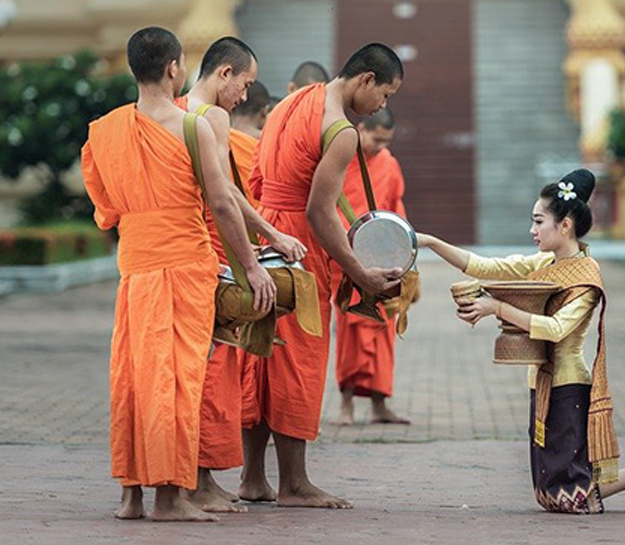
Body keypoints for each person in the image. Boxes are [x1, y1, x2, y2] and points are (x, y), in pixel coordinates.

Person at [81, 26, 275, 522]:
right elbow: (223, 203)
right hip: (186, 265)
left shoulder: (103, 131)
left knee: (132, 376)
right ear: (174, 69)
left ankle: (132, 495)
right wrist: (251, 267)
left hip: (135, 268)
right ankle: (169, 496)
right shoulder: (193, 127)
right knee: (176, 380)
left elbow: (105, 210)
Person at [417, 169, 625, 515]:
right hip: (543, 382)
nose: (532, 230)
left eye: (539, 221)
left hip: (568, 385)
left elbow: (555, 329)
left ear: (565, 225)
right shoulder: (544, 262)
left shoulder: (586, 277)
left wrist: (496, 307)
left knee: (568, 494)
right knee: (550, 492)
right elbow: (485, 265)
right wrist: (431, 242)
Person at [241, 43, 404, 509]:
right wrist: (361, 274)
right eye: (386, 95)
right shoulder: (341, 130)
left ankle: (253, 478)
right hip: (297, 244)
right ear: (366, 79)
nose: (382, 107)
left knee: (262, 355)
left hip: (266, 232)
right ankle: (294, 484)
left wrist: (263, 230)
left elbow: (255, 177)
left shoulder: (293, 101)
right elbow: (318, 211)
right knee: (297, 360)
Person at [176, 37, 306, 514]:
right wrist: (262, 250)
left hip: (181, 251)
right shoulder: (211, 117)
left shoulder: (173, 111)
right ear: (224, 73)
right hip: (210, 251)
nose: (246, 95)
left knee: (195, 368)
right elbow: (226, 197)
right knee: (213, 370)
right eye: (245, 83)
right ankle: (200, 481)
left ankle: (193, 477)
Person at [331, 108, 410, 426]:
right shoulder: (340, 158)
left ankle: (380, 404)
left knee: (384, 330)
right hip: (349, 256)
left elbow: (396, 206)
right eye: (376, 139)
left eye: (385, 141)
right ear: (360, 128)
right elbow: (328, 204)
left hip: (384, 256)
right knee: (350, 332)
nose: (379, 146)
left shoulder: (389, 163)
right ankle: (346, 404)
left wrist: (402, 251)